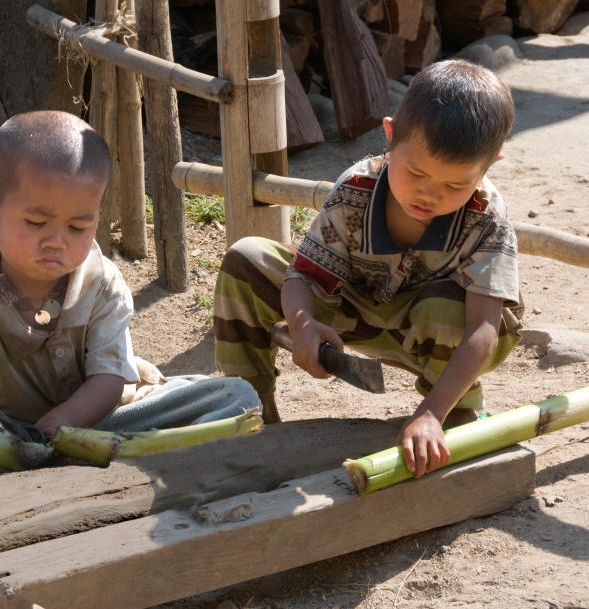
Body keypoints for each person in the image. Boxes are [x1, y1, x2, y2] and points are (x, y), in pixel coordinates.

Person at [0, 111, 259, 480]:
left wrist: (60, 425)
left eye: (78, 226)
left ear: (96, 221)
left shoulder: (102, 283)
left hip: (105, 422)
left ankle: (53, 469)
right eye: (36, 223)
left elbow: (109, 380)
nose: (57, 241)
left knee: (237, 399)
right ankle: (90, 469)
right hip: (7, 428)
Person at [213, 59, 522, 478]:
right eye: (415, 172)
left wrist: (429, 413)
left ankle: (452, 416)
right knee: (246, 260)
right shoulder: (357, 189)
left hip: (444, 333)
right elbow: (303, 276)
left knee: (446, 307)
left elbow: (482, 329)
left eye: (454, 185)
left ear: (489, 166)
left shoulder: (487, 217)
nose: (429, 195)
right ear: (390, 136)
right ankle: (255, 416)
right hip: (360, 313)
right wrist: (303, 325)